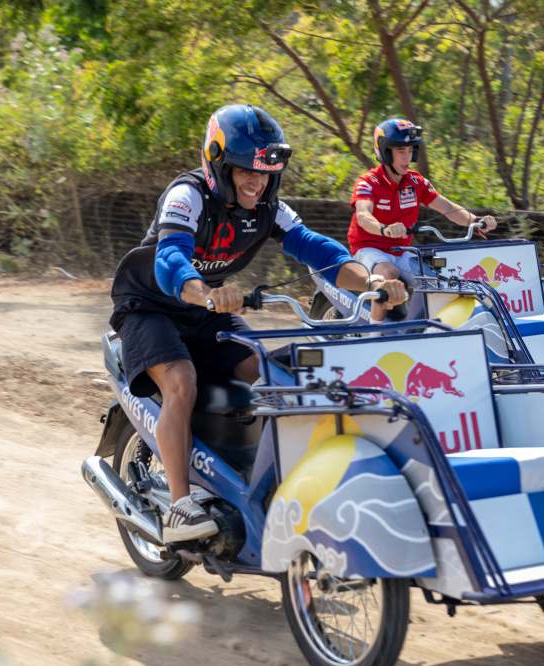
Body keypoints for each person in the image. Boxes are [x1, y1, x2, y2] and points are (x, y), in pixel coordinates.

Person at [109, 104, 406, 542]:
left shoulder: (270, 208)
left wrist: (374, 280)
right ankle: (181, 505)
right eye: (244, 171)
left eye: (265, 173)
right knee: (181, 381)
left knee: (270, 373)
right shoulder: (187, 196)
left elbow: (321, 252)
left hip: (205, 308)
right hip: (150, 305)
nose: (256, 181)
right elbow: (170, 259)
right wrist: (205, 291)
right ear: (217, 165)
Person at [346, 118, 498, 322]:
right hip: (369, 249)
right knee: (388, 273)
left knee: (436, 279)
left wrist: (475, 220)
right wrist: (385, 229)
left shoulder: (416, 182)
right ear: (385, 151)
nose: (406, 157)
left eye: (410, 151)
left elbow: (448, 208)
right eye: (401, 151)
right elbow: (363, 216)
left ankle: (420, 328)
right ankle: (374, 334)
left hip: (402, 251)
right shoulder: (368, 182)